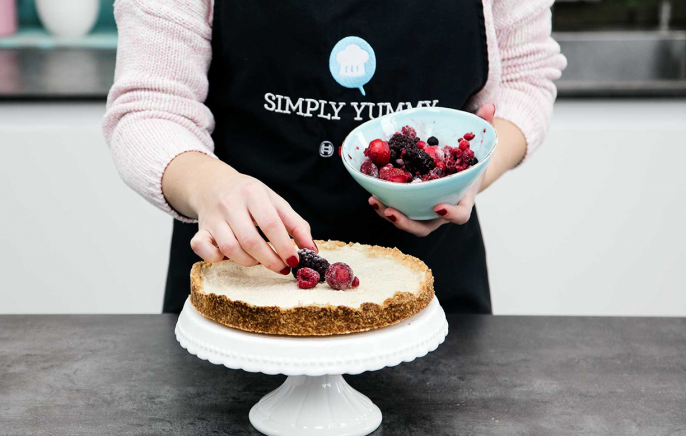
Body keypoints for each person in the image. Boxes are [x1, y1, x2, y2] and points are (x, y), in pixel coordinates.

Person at [103, 0, 567, 314]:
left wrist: (462, 180)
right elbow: (150, 104)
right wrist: (207, 185)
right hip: (240, 282)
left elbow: (526, 75)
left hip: (433, 296)